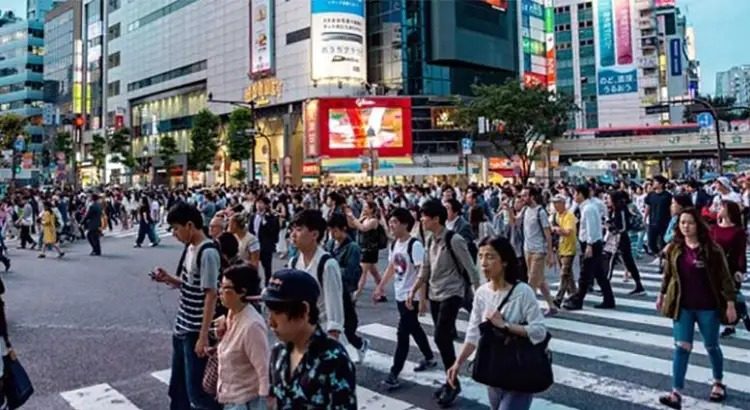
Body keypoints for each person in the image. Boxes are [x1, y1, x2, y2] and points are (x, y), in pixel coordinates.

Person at [447, 236, 547, 410]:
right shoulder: (481, 293)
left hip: (520, 368)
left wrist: (505, 325)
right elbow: (473, 333)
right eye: (481, 257)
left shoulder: (523, 292)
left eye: (490, 257)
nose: (484, 263)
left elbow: (539, 331)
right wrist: (457, 363)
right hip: (494, 367)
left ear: (505, 262)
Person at [657, 207, 737, 409]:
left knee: (711, 346)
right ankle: (676, 393)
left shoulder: (712, 249)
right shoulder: (675, 248)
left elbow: (725, 278)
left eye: (690, 222)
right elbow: (668, 274)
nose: (685, 226)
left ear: (698, 225)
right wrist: (662, 294)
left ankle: (718, 382)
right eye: (682, 223)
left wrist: (730, 303)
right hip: (682, 305)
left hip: (707, 306)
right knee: (682, 347)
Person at [406, 199, 480, 407]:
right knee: (442, 339)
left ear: (435, 219)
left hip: (452, 292)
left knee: (441, 336)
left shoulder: (453, 239)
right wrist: (415, 289)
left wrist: (479, 292)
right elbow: (425, 269)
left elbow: (470, 267)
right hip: (435, 293)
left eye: (424, 216)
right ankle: (451, 380)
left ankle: (453, 383)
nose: (421, 219)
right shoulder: (430, 240)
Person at [151, 202, 221, 410]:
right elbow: (190, 285)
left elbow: (211, 295)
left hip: (194, 330)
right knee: (178, 388)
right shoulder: (191, 248)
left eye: (176, 228)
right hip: (182, 327)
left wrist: (202, 336)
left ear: (190, 225)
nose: (174, 233)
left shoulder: (207, 252)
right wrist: (168, 279)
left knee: (198, 393)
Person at [263, 269, 357, 409]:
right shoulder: (278, 352)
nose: (270, 322)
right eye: (268, 311)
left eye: (277, 312)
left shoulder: (333, 360)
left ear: (304, 310)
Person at [374, 208, 436, 390]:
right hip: (401, 294)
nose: (391, 225)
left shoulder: (414, 245)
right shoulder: (395, 244)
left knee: (402, 334)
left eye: (394, 222)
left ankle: (394, 374)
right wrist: (381, 286)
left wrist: (422, 299)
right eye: (390, 222)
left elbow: (421, 273)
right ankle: (429, 357)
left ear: (405, 224)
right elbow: (392, 268)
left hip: (412, 297)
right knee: (414, 328)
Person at [216, 265, 270, 410]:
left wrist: (266, 402)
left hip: (245, 402)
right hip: (229, 397)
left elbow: (263, 369)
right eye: (220, 286)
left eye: (226, 288)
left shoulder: (252, 326)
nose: (220, 292)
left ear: (242, 292)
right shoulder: (232, 313)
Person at [288, 209, 345, 340]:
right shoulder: (294, 262)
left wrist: (332, 337)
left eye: (298, 229)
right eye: (293, 230)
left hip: (322, 332)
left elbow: (334, 306)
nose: (293, 234)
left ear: (314, 234)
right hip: (301, 331)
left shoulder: (327, 265)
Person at [325, 213, 369, 363]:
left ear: (343, 229)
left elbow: (351, 272)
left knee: (348, 327)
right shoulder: (330, 244)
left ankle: (360, 344)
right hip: (330, 290)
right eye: (330, 230)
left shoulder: (353, 248)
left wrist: (332, 269)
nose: (332, 234)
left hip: (344, 291)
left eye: (335, 230)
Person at [563, 184, 614, 310]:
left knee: (585, 274)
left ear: (580, 194)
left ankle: (578, 300)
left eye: (575, 193)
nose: (574, 196)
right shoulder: (586, 207)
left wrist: (589, 245)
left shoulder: (588, 209)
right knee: (599, 274)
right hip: (592, 243)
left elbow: (592, 228)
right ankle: (609, 299)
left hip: (591, 244)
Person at [709, 200, 750, 337]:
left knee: (730, 294)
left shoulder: (738, 231)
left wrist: (740, 270)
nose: (719, 209)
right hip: (714, 266)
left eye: (722, 207)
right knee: (716, 294)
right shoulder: (713, 228)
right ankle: (741, 310)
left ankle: (730, 325)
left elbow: (741, 252)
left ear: (730, 211)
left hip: (730, 267)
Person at [519, 187, 558, 315]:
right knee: (540, 280)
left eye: (525, 195)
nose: (522, 198)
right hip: (527, 249)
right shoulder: (525, 210)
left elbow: (548, 234)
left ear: (532, 197)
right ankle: (552, 306)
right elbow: (514, 221)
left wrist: (550, 254)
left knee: (532, 282)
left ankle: (527, 312)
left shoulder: (540, 212)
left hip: (538, 251)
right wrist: (507, 209)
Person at [605, 191, 644, 295]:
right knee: (612, 261)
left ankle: (606, 286)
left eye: (608, 198)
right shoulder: (613, 210)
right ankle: (606, 285)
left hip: (621, 239)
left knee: (621, 261)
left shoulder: (621, 210)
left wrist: (612, 228)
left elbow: (624, 227)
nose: (607, 200)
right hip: (616, 238)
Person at [345, 200, 385, 301]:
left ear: (371, 209)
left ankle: (356, 296)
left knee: (363, 272)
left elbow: (363, 228)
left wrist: (353, 217)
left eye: (366, 207)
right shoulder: (364, 218)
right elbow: (353, 225)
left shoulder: (374, 221)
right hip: (364, 247)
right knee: (374, 272)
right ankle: (381, 291)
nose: (364, 209)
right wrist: (349, 216)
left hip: (370, 249)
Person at [550, 195, 577, 307]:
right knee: (568, 274)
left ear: (563, 203)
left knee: (564, 273)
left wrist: (556, 230)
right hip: (560, 248)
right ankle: (574, 294)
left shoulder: (569, 216)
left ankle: (558, 298)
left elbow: (568, 232)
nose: (556, 206)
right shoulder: (556, 216)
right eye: (554, 203)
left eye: (558, 203)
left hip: (569, 247)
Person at [249, 196, 280, 286]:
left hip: (266, 246)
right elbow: (250, 231)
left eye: (261, 203)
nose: (259, 205)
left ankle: (268, 286)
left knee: (267, 269)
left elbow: (274, 231)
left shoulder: (272, 217)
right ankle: (255, 286)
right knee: (253, 268)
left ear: (266, 205)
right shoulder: (253, 216)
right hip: (254, 246)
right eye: (257, 203)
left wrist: (265, 221)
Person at [645, 176, 673, 255]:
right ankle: (658, 254)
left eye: (655, 182)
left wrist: (672, 220)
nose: (653, 183)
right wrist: (644, 218)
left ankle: (663, 257)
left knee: (663, 242)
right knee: (651, 243)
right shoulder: (650, 195)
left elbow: (671, 209)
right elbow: (648, 207)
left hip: (664, 223)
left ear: (661, 184)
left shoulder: (668, 196)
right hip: (652, 222)